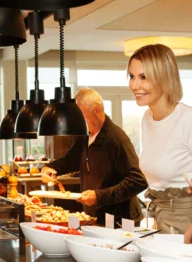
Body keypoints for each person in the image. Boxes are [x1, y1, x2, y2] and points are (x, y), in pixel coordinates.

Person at [127, 44, 192, 244]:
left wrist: (188, 236)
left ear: (163, 77)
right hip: (165, 225)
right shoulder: (147, 118)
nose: (134, 85)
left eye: (143, 77)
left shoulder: (190, 119)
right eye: (132, 76)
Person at [41, 88, 148, 226]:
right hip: (96, 217)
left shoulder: (116, 139)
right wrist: (50, 168)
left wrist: (98, 196)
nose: (78, 121)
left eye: (82, 116)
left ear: (96, 110)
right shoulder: (85, 136)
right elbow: (70, 161)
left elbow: (138, 181)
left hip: (121, 220)